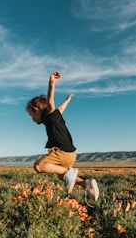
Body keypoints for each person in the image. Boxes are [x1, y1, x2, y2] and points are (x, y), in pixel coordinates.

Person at [26, 71, 99, 200]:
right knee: (61, 176)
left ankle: (68, 172)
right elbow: (59, 110)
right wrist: (67, 100)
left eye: (31, 115)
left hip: (62, 151)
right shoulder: (55, 116)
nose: (32, 119)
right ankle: (86, 184)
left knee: (38, 166)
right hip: (71, 153)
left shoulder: (48, 114)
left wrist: (51, 84)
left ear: (36, 110)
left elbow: (50, 102)